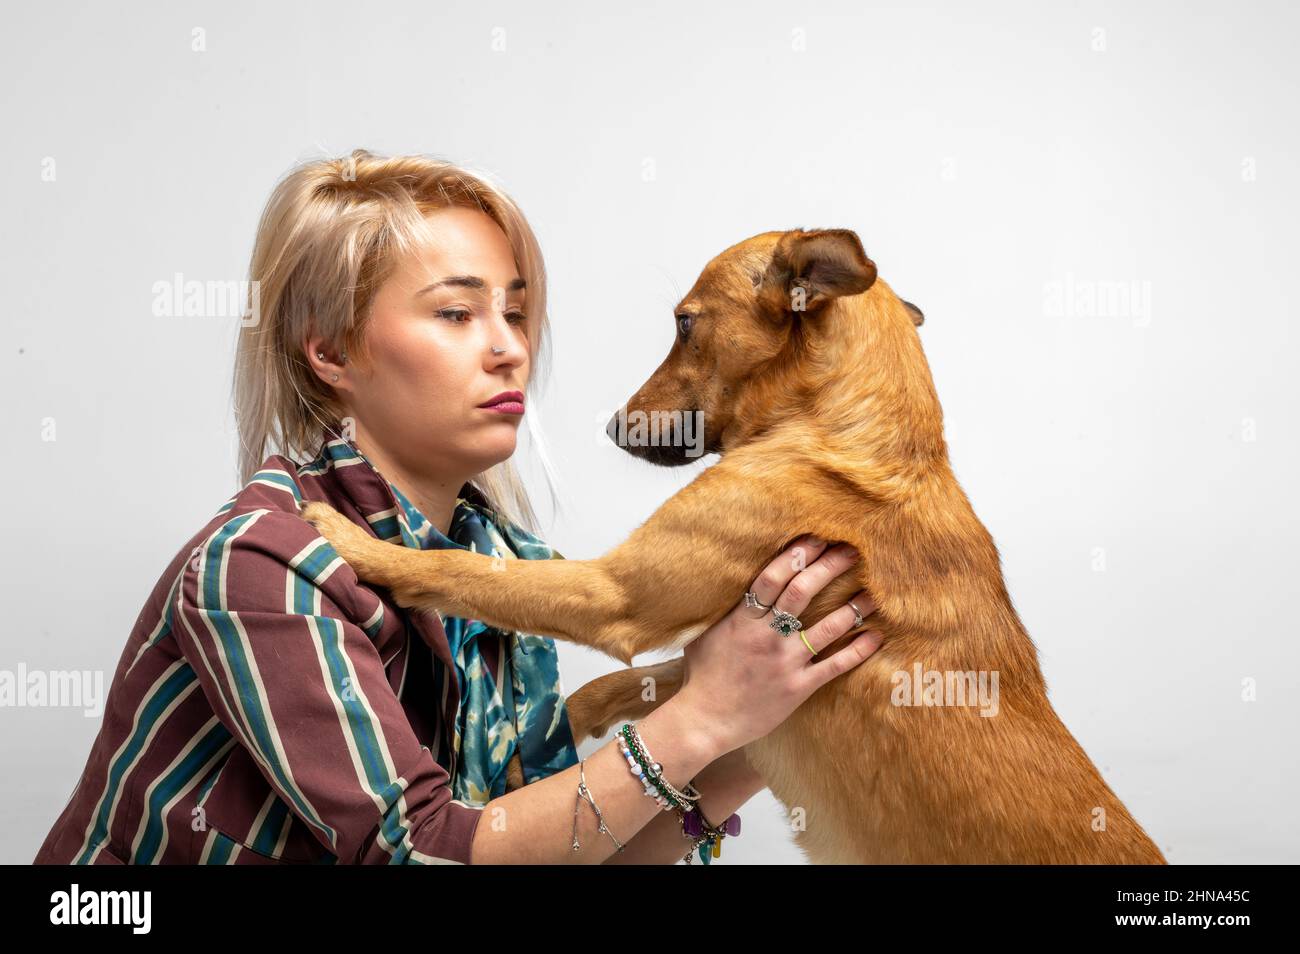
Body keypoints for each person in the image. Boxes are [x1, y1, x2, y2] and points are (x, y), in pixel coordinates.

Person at [33, 149, 883, 865]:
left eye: (515, 310)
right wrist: (700, 718)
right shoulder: (264, 565)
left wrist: (759, 730)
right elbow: (427, 851)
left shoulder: (508, 572)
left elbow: (552, 844)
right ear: (330, 349)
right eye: (456, 312)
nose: (511, 347)